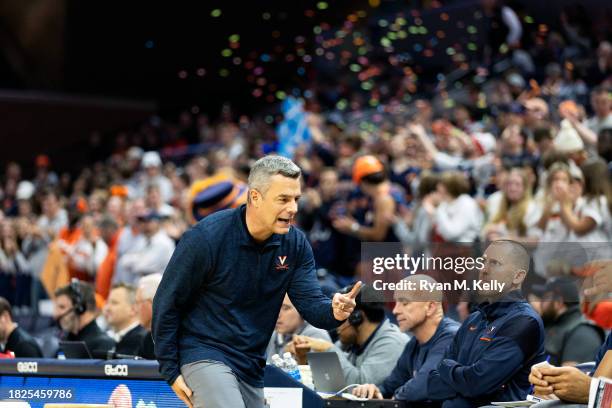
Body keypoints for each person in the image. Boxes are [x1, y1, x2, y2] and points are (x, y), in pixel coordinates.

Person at [152, 155, 361, 408]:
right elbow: (167, 302)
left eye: (296, 199)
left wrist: (334, 311)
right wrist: (170, 370)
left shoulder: (295, 244)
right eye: (283, 199)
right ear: (255, 198)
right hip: (204, 353)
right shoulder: (206, 238)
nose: (293, 208)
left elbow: (312, 306)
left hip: (251, 363)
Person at [427, 240, 546, 407]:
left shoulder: (524, 322)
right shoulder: (473, 318)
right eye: (483, 262)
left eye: (495, 263)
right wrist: (465, 380)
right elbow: (432, 385)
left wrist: (447, 367)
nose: (483, 270)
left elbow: (477, 384)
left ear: (518, 276)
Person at [351, 275, 459, 405]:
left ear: (430, 307)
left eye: (405, 303)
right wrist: (374, 390)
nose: (395, 311)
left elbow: (422, 386)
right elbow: (389, 386)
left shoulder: (452, 337)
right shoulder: (414, 343)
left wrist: (395, 397)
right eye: (396, 303)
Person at [293, 284, 408, 386]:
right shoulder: (350, 342)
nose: (336, 324)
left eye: (341, 316)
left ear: (356, 317)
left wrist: (328, 349)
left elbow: (360, 386)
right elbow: (329, 386)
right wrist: (303, 359)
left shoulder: (392, 343)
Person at [533, 278, 604, 366]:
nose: (540, 304)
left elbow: (571, 378)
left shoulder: (582, 332)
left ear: (558, 302)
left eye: (544, 298)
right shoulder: (553, 324)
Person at [53, 280, 115, 358]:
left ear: (81, 309)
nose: (55, 314)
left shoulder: (103, 345)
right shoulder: (66, 342)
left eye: (62, 307)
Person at [266, 294, 331, 362]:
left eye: (285, 308)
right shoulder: (274, 334)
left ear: (302, 310)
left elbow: (325, 371)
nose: (277, 314)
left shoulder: (316, 335)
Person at [104, 283, 148, 357]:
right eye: (107, 302)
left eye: (114, 303)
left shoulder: (141, 340)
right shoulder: (110, 337)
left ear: (133, 309)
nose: (107, 308)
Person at [135, 273, 162, 359]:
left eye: (138, 302)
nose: (135, 309)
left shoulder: (170, 336)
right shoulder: (147, 339)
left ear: (152, 303)